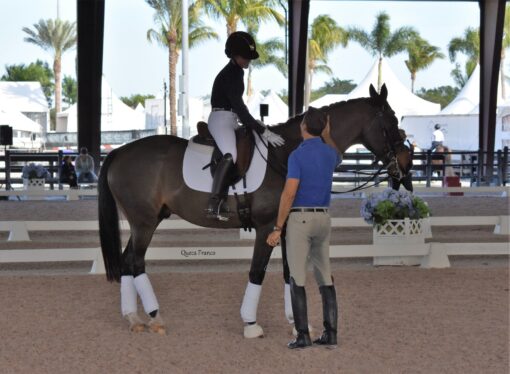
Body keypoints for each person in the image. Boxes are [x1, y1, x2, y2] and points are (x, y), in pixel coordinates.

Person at [266, 107, 340, 349]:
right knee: (324, 276)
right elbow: (337, 154)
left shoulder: (297, 155)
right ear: (324, 128)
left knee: (297, 277)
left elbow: (289, 194)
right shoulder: (330, 154)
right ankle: (331, 332)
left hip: (301, 220)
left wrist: (278, 227)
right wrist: (326, 134)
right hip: (324, 218)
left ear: (303, 126)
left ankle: (302, 335)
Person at [206, 31, 285, 221]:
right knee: (230, 154)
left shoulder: (237, 72)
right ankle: (214, 202)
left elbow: (239, 108)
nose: (248, 61)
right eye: (245, 57)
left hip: (231, 118)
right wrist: (262, 130)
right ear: (234, 55)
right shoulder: (230, 74)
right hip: (220, 118)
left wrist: (254, 124)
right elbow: (239, 106)